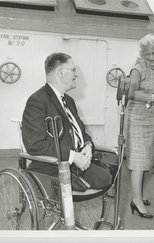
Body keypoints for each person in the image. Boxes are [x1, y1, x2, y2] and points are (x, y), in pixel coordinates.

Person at [22, 52, 112, 191]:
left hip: (77, 164)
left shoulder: (69, 101)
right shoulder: (38, 101)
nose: (76, 75)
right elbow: (35, 144)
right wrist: (73, 156)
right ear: (60, 73)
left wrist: (87, 145)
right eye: (73, 70)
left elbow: (80, 132)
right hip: (53, 165)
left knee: (108, 176)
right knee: (90, 182)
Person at [124, 33, 154, 219]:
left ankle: (139, 195)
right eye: (147, 54)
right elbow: (131, 93)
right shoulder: (138, 69)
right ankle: (137, 201)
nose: (151, 57)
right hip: (136, 117)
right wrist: (153, 98)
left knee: (148, 160)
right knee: (138, 162)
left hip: (151, 118)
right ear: (143, 54)